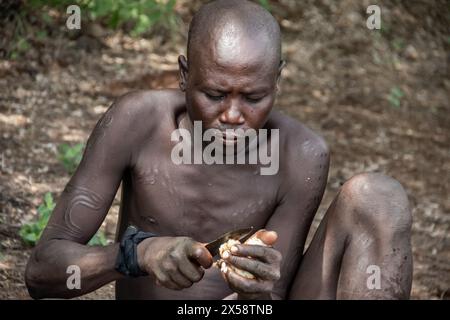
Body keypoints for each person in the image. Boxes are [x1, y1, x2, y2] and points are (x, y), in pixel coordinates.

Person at [25, 0, 412, 300]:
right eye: (213, 94)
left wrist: (252, 291)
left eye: (254, 97)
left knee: (378, 198)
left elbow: (270, 297)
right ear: (183, 75)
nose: (232, 115)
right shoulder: (137, 122)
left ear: (277, 81)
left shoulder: (301, 154)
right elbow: (42, 271)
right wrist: (138, 254)